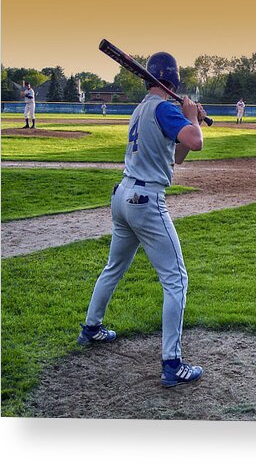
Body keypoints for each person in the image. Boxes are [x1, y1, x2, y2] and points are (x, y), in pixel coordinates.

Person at [77, 51, 206, 388]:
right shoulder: (164, 108)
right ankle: (172, 363)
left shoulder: (142, 109)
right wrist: (191, 119)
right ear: (173, 80)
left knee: (113, 267)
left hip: (124, 197)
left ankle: (91, 327)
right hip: (146, 201)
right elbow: (196, 141)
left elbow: (178, 154)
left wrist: (189, 118)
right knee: (176, 279)